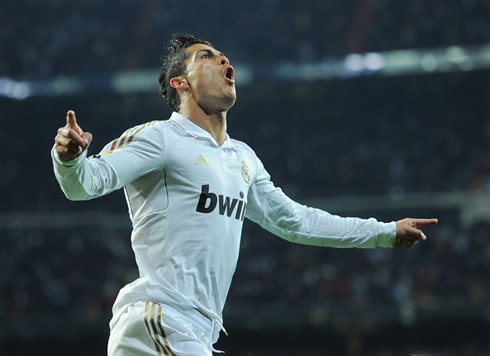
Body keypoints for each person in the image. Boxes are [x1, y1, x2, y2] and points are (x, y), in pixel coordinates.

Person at [52, 33, 438, 356]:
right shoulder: (159, 137)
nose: (223, 61)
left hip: (199, 330)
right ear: (180, 82)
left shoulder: (243, 159)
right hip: (158, 319)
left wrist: (384, 232)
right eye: (207, 57)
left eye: (224, 57)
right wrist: (69, 159)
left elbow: (296, 220)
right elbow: (86, 182)